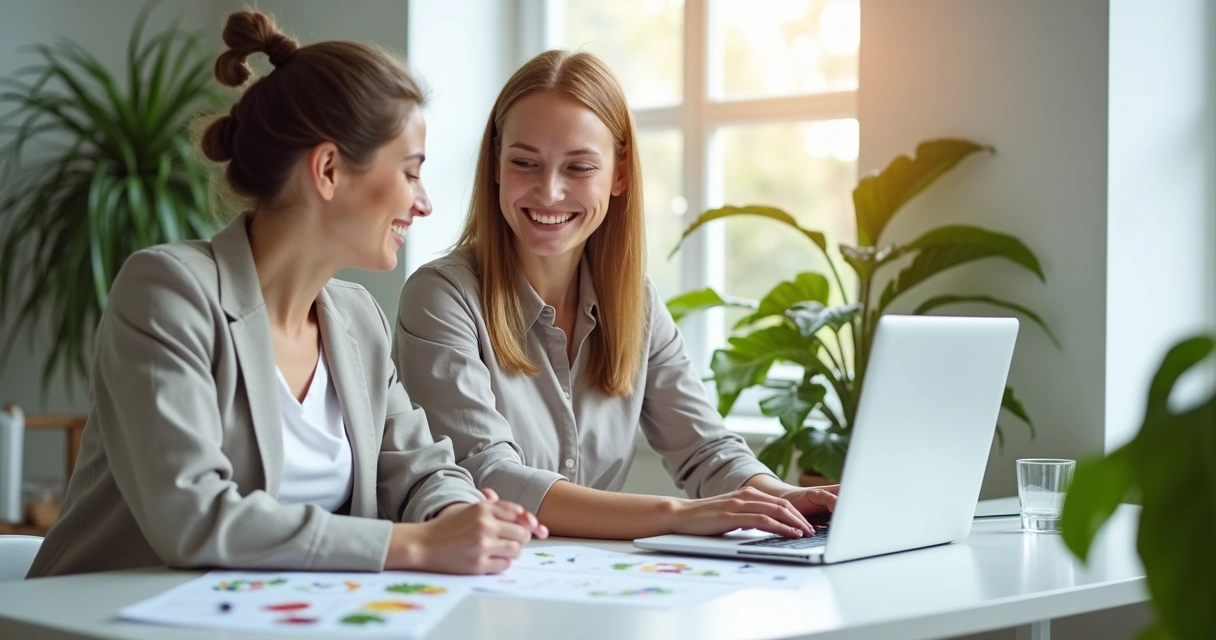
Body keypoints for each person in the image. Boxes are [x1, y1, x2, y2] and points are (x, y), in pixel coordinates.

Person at [27, 10, 545, 579]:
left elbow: (417, 468)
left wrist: (464, 516)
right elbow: (192, 515)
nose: (424, 203)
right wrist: (417, 546)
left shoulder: (358, 319)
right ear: (326, 170)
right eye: (410, 173)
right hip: (109, 617)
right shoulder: (167, 292)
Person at [393, 50, 836, 541]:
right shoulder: (441, 298)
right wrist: (680, 515)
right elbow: (488, 476)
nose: (549, 192)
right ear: (496, 164)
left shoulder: (636, 304)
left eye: (579, 168)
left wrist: (781, 497)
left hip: (593, 584)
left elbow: (706, 451)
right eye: (524, 162)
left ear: (619, 175)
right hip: (482, 582)